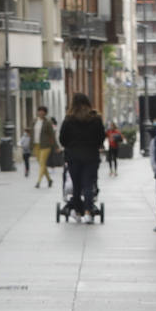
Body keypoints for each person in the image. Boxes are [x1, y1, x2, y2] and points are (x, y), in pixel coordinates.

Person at [58, 94, 107, 222]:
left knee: (77, 185)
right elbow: (101, 137)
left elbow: (62, 139)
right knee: (88, 184)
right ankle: (88, 212)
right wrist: (94, 145)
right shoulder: (95, 119)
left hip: (73, 156)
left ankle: (78, 212)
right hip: (91, 156)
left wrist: (70, 145)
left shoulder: (69, 119)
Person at [32, 106, 58, 189]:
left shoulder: (48, 122)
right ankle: (49, 180)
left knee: (42, 163)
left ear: (45, 113)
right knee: (41, 164)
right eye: (39, 111)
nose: (41, 113)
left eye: (43, 111)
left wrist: (56, 146)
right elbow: (32, 133)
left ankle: (38, 182)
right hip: (36, 145)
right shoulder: (34, 121)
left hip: (46, 146)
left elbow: (52, 135)